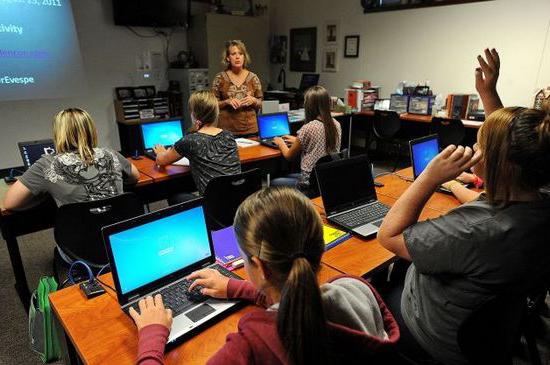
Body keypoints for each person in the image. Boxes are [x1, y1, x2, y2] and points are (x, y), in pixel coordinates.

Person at [377, 48, 550, 364]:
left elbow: (388, 235)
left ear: (497, 165)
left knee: (372, 286)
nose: (475, 149)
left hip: (433, 335)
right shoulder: (535, 202)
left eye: (481, 146)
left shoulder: (477, 228)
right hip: (487, 332)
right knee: (404, 265)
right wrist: (489, 94)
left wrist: (430, 177)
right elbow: (513, 148)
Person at [130, 187, 400, 364]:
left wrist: (152, 338)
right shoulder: (357, 291)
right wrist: (238, 287)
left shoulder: (251, 347)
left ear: (258, 267)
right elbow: (300, 298)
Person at [3, 107, 140, 210]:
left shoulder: (47, 164)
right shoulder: (111, 153)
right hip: (117, 233)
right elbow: (134, 177)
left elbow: (10, 203)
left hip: (80, 242)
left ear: (58, 133)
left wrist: (44, 194)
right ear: (91, 130)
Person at [154, 90, 241, 203]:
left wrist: (160, 152)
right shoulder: (228, 136)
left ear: (193, 115)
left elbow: (161, 161)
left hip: (213, 206)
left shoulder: (190, 141)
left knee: (174, 194)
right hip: (238, 201)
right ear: (216, 113)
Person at [270, 85, 341, 191]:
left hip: (309, 181)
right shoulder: (336, 124)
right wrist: (297, 140)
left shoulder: (308, 128)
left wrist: (280, 142)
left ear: (309, 105)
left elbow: (289, 156)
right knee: (289, 176)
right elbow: (320, 142)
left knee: (274, 182)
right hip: (326, 177)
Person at [212, 40, 263, 136]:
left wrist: (253, 100)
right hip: (226, 130)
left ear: (244, 57)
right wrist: (226, 102)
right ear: (227, 58)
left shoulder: (253, 78)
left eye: (240, 54)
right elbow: (212, 104)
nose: (237, 57)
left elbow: (260, 103)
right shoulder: (220, 78)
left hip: (251, 130)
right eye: (233, 54)